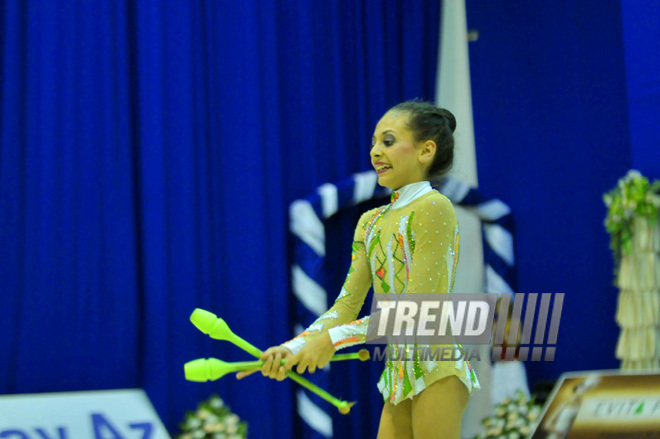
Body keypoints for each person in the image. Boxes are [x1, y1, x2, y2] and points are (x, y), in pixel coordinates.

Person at [238, 101, 480, 439]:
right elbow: (345, 306)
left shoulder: (434, 207)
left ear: (426, 151)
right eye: (374, 142)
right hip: (399, 374)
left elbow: (414, 311)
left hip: (436, 365)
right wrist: (293, 349)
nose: (375, 152)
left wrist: (332, 340)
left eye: (389, 141)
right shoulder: (370, 222)